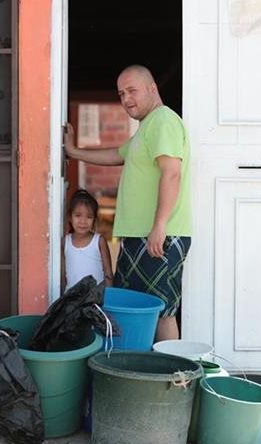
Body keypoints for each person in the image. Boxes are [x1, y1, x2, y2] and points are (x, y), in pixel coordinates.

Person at [63, 64, 191, 342]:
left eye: (132, 90)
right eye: (121, 93)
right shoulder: (146, 129)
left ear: (152, 88)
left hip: (158, 235)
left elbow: (172, 173)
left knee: (162, 309)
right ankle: (138, 368)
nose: (126, 99)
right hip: (139, 235)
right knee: (136, 308)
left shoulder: (163, 121)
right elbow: (116, 155)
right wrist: (74, 151)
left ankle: (170, 378)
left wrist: (159, 226)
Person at [61, 189, 114, 292]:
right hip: (72, 300)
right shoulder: (65, 242)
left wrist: (108, 301)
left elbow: (108, 274)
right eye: (78, 215)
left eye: (89, 217)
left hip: (96, 299)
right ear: (70, 217)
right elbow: (62, 277)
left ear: (94, 219)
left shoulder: (99, 241)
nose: (83, 221)